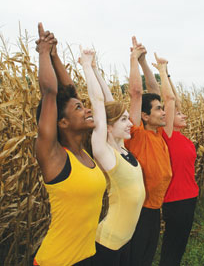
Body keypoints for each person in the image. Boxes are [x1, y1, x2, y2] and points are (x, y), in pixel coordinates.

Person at [33, 23, 106, 266]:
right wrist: (43, 52)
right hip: (57, 261)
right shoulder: (53, 157)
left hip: (86, 257)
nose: (87, 109)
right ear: (62, 123)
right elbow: (50, 93)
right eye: (79, 108)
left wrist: (55, 56)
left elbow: (68, 91)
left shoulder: (82, 152)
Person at [78, 46, 145, 266]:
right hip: (107, 243)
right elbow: (99, 103)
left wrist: (97, 69)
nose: (131, 123)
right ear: (108, 126)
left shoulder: (122, 146)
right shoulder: (104, 150)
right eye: (124, 120)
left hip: (124, 240)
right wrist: (86, 66)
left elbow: (108, 101)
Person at [124, 37, 173, 266]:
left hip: (154, 211)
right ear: (144, 116)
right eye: (158, 110)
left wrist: (145, 62)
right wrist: (133, 58)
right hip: (139, 212)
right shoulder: (137, 135)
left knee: (146, 259)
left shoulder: (158, 135)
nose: (164, 112)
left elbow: (153, 92)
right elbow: (136, 94)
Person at [152, 57, 199, 266]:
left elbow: (176, 101)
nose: (183, 114)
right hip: (176, 199)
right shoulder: (167, 135)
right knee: (171, 248)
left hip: (190, 197)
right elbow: (170, 100)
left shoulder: (183, 138)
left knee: (179, 246)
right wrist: (161, 70)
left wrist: (168, 73)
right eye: (177, 113)